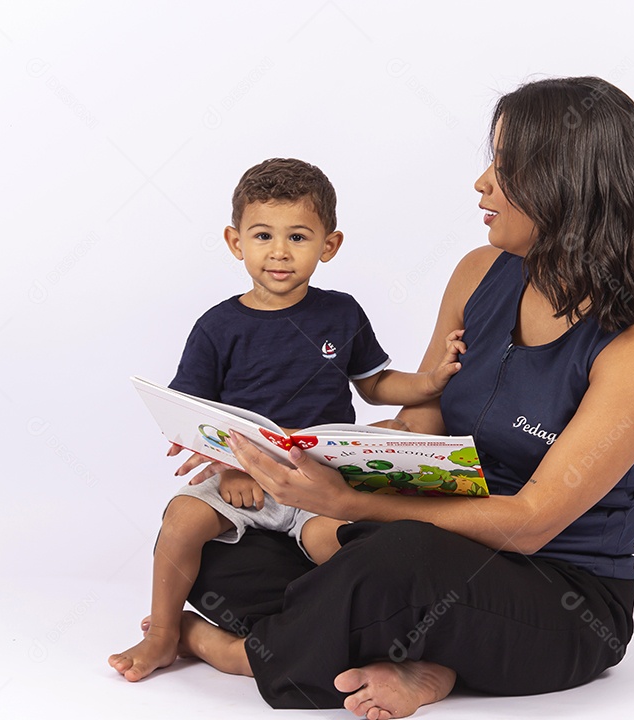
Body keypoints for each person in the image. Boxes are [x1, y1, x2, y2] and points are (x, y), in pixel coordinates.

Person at [168, 76, 634, 720]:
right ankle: (424, 660)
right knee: (227, 542)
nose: (482, 184)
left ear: (568, 182)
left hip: (559, 595)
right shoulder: (479, 271)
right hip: (427, 545)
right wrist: (321, 457)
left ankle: (242, 652)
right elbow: (427, 417)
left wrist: (354, 502)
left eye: (505, 166)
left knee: (396, 557)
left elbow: (531, 523)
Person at [108, 158, 466, 683]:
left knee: (339, 545)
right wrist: (228, 468)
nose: (279, 252)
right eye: (262, 236)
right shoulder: (218, 326)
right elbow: (192, 417)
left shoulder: (341, 313)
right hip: (244, 478)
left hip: (319, 481)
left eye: (298, 236)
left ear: (329, 245)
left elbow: (374, 383)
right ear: (235, 242)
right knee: (183, 519)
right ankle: (163, 632)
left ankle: (351, 633)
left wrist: (429, 383)